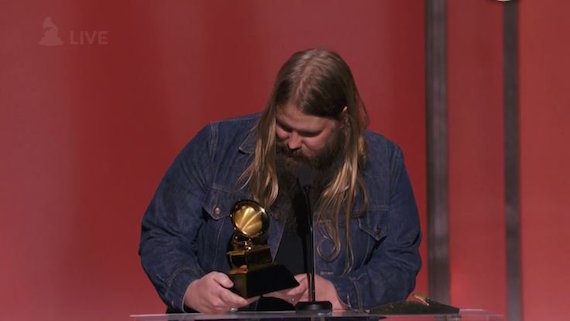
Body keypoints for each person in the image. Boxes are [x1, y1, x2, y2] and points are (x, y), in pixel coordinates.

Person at [139, 48, 421, 314]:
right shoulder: (215, 147)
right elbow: (162, 235)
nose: (293, 142)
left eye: (309, 133)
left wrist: (342, 293)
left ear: (343, 121)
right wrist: (190, 288)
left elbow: (400, 261)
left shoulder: (385, 164)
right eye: (284, 126)